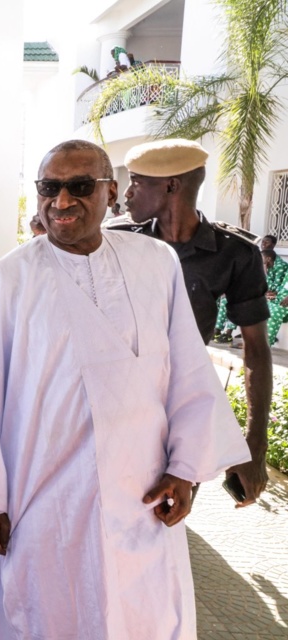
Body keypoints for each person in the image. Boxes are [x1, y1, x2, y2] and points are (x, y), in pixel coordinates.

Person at [0, 139, 250, 638]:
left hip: (144, 497)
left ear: (111, 192)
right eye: (49, 188)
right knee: (48, 610)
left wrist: (185, 469)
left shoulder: (156, 263)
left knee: (140, 612)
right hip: (43, 499)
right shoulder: (7, 282)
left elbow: (187, 372)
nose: (62, 201)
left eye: (80, 187)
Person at [112, 138, 271, 506]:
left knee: (168, 508)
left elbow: (257, 351)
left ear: (171, 186)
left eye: (137, 182)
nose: (128, 194)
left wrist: (254, 444)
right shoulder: (116, 240)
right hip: (118, 397)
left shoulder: (235, 253)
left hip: (184, 404)